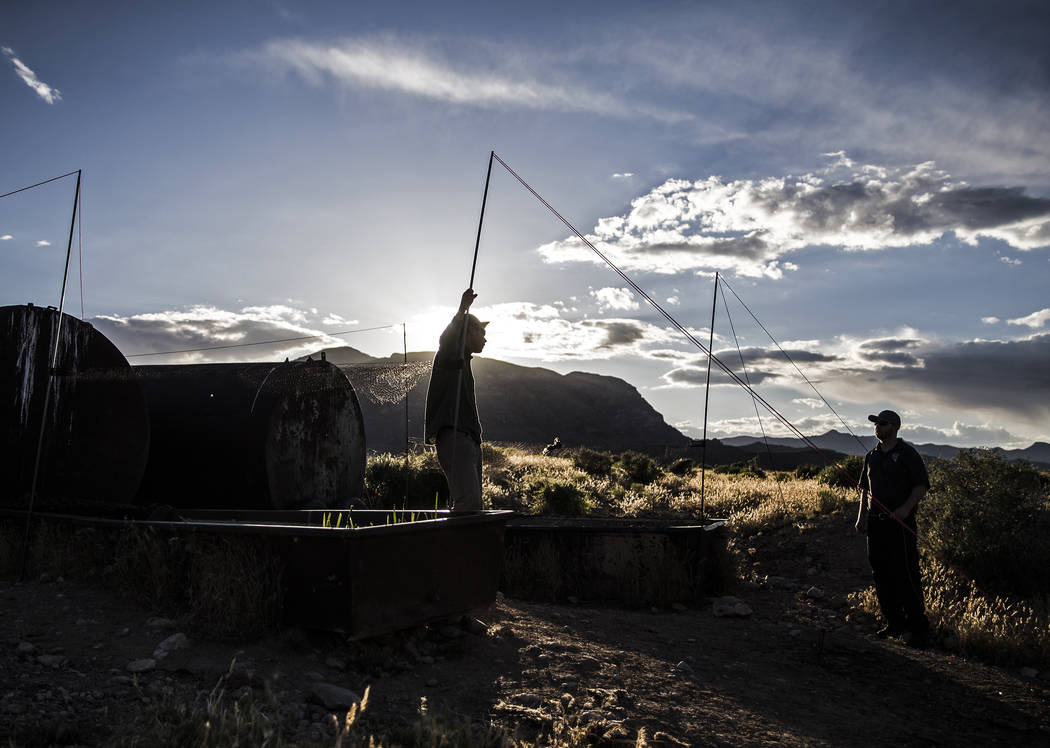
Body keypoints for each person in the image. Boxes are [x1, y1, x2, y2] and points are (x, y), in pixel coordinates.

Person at [854, 409, 931, 647]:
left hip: (901, 524)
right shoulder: (871, 456)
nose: (878, 426)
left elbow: (921, 485)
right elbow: (864, 491)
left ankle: (918, 628)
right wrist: (861, 518)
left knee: (906, 573)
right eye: (876, 423)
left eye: (883, 423)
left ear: (895, 427)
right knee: (881, 573)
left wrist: (906, 509)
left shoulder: (908, 454)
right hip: (876, 524)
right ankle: (894, 622)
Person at [424, 289, 487, 513]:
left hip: (466, 439)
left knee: (471, 505)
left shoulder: (462, 362)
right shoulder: (450, 355)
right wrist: (462, 310)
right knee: (468, 506)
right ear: (467, 332)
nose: (485, 337)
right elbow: (446, 339)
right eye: (481, 331)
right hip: (456, 437)